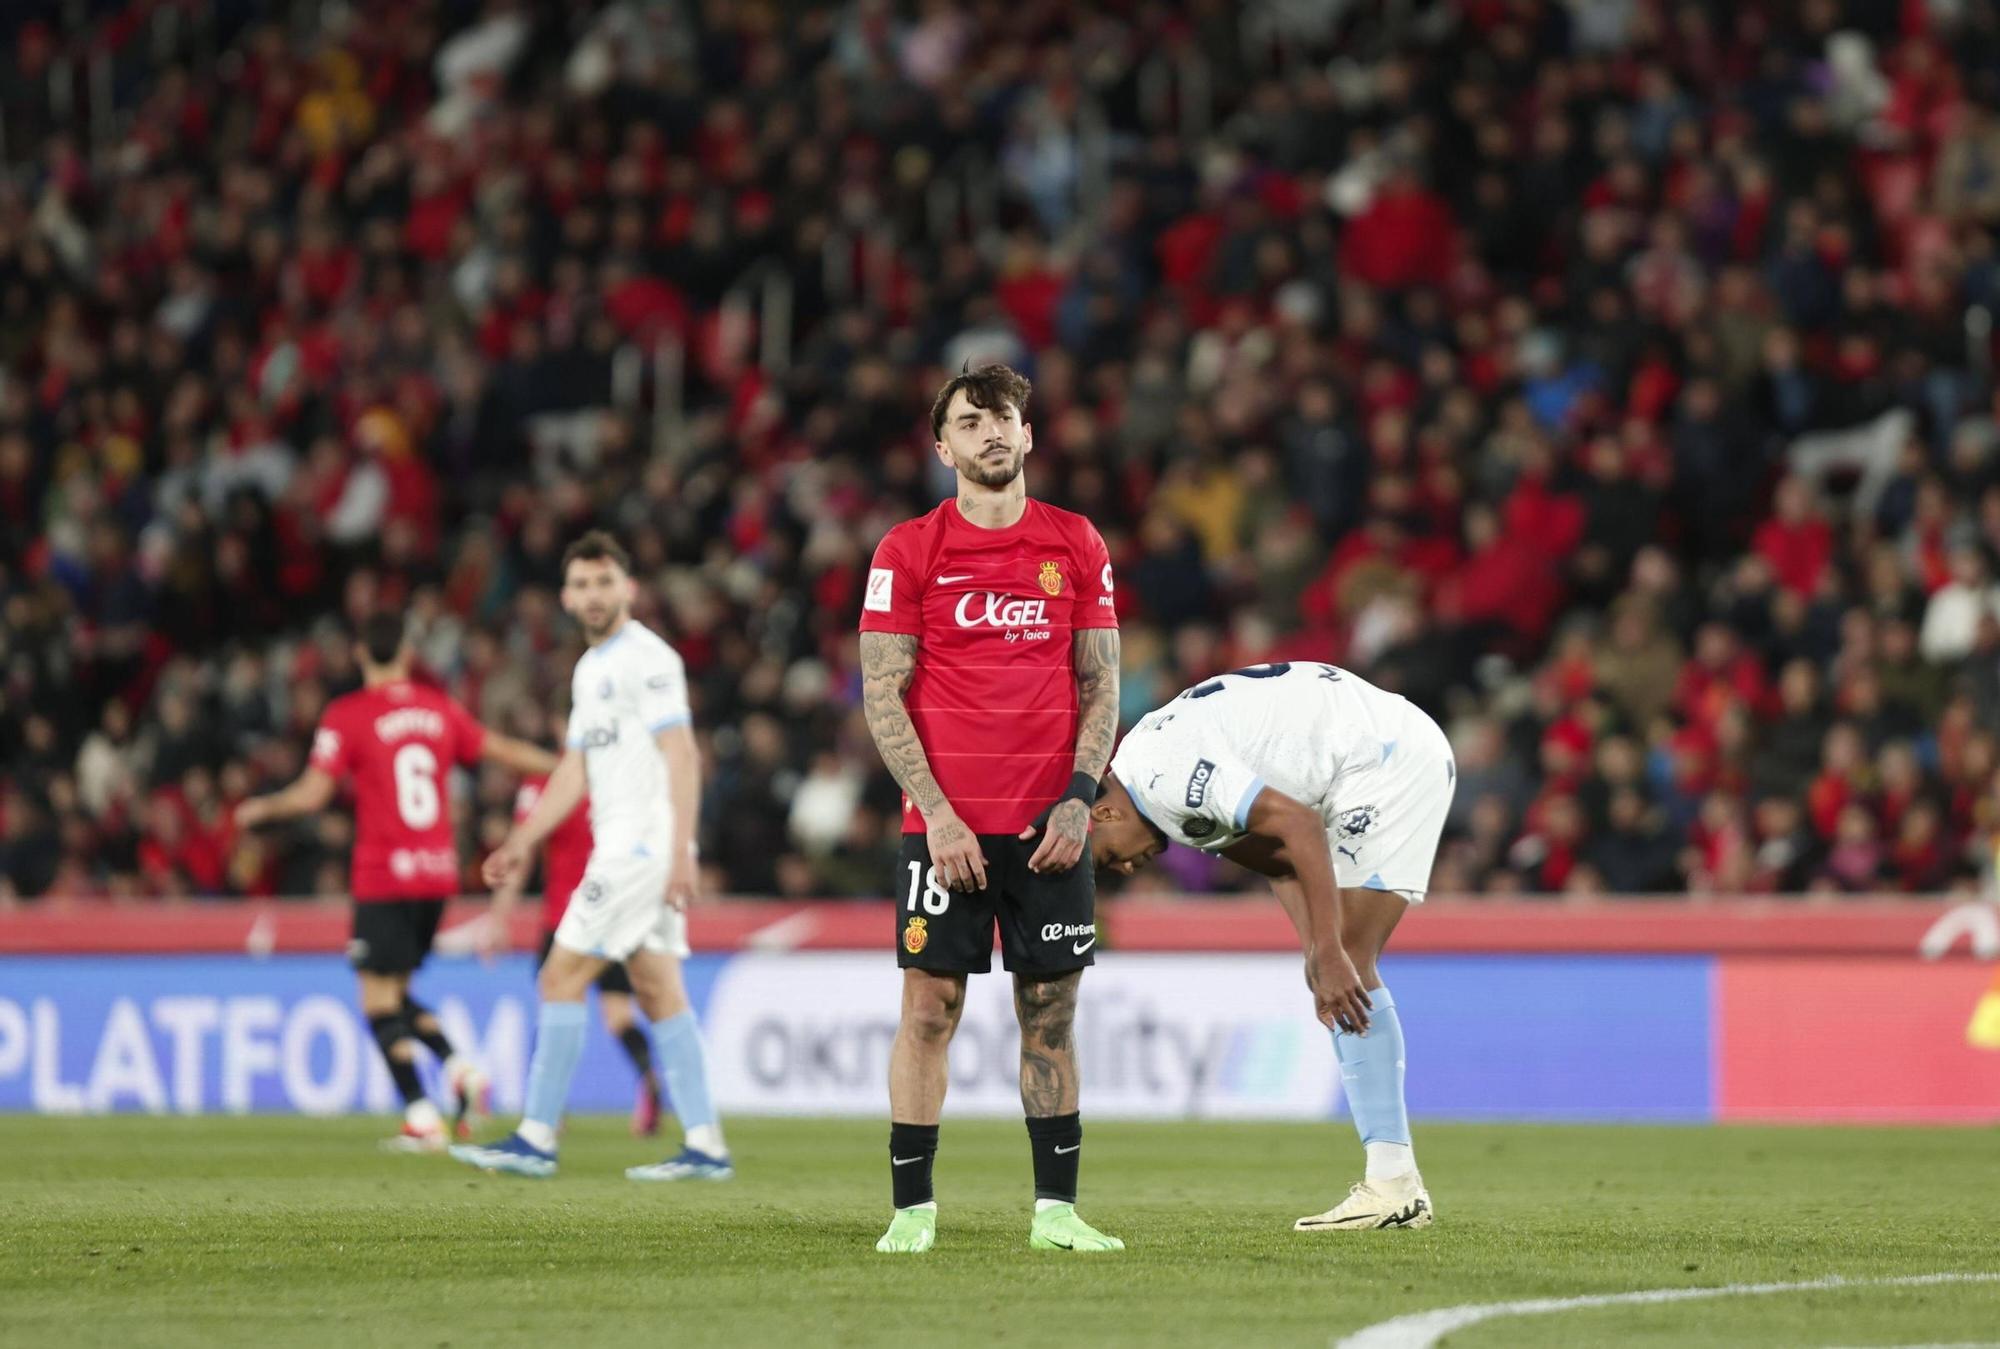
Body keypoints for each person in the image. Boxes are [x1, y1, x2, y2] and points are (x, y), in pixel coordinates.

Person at [858, 363, 1123, 1254]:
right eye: (971, 422)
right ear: (943, 447)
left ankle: (1056, 1212)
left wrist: (1081, 800)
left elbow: (1101, 681)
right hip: (945, 826)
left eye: (1004, 417)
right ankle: (913, 1211)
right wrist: (936, 813)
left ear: (1030, 434)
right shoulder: (908, 549)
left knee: (1049, 1012)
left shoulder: (1076, 542)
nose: (992, 432)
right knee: (929, 1008)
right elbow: (882, 693)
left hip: (1050, 825)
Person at [1085, 660, 1456, 1232]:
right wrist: (1315, 951)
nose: (1129, 868)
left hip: (1383, 759)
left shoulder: (1163, 776)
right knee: (1339, 970)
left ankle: (1394, 1186)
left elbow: (1301, 827)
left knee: (1351, 964)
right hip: (1371, 757)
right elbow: (1281, 862)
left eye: (1111, 856)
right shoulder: (1162, 793)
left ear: (1103, 811)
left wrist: (1330, 953)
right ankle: (1394, 1182)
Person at [451, 531, 730, 1181]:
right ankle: (706, 1144)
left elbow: (683, 754)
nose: (593, 594)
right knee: (659, 990)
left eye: (605, 582)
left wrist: (684, 848)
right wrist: (521, 840)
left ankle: (536, 1136)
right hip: (633, 845)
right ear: (566, 596)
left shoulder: (648, 658)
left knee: (557, 976)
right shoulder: (589, 669)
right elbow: (573, 772)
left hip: (638, 848)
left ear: (628, 589)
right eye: (582, 584)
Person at [235, 613, 558, 1151]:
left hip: (385, 876)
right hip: (437, 875)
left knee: (377, 1003)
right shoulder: (438, 709)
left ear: (360, 653)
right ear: (407, 653)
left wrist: (262, 809)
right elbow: (501, 749)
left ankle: (421, 1115)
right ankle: (459, 1069)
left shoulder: (348, 715)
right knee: (398, 994)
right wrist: (568, 766)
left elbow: (313, 795)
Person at [487, 710, 666, 1136]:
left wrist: (498, 916)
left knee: (554, 1004)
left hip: (565, 915)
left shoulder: (543, 783)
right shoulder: (623, 778)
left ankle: (549, 1108)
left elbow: (522, 854)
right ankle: (647, 1076)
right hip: (618, 910)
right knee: (618, 1012)